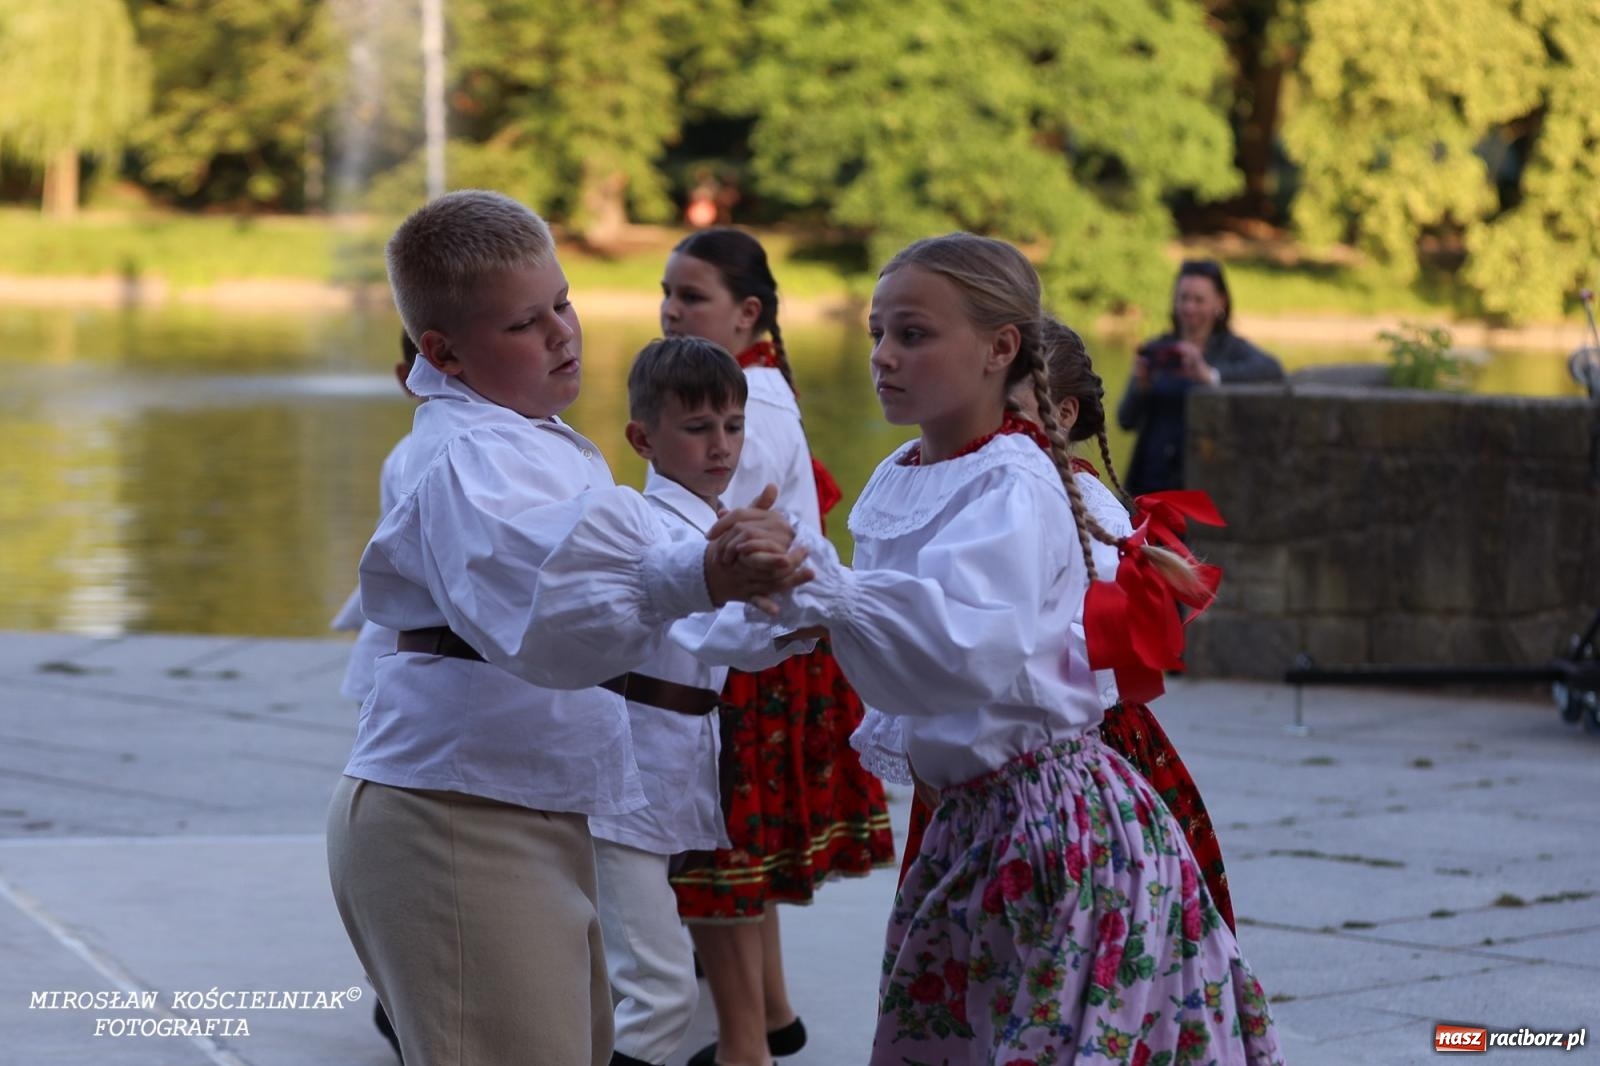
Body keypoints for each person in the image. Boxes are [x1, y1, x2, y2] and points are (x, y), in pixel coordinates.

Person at [766, 233, 1281, 1064]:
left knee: (1044, 1032)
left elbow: (960, 644)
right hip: (975, 817)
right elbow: (896, 628)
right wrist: (766, 592)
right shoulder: (909, 472)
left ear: (1001, 348)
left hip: (1050, 823)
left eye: (913, 335)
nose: (884, 357)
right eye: (876, 334)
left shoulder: (1021, 481)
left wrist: (825, 590)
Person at [324, 190, 811, 1066]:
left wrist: (777, 588)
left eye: (564, 303)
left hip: (520, 806)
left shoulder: (535, 441)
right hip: (454, 818)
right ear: (444, 352)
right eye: (524, 324)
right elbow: (546, 609)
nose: (561, 334)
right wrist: (704, 571)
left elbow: (661, 574)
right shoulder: (468, 455)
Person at [658, 227, 894, 1066]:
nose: (670, 310)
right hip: (772, 646)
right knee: (739, 848)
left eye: (691, 296)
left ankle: (745, 1048)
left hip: (747, 654)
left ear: (746, 311)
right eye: (668, 293)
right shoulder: (753, 384)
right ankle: (774, 1014)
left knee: (715, 853)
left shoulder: (742, 409)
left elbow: (728, 540)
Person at [594, 336, 816, 1066]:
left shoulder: (712, 521)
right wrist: (770, 598)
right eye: (697, 428)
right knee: (659, 990)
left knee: (638, 983)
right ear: (642, 438)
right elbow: (706, 624)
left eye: (732, 426)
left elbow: (736, 639)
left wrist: (797, 608)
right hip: (626, 778)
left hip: (674, 763)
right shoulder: (643, 522)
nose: (720, 445)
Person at [1117, 258, 1284, 497]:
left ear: (1220, 302)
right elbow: (1125, 420)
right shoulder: (1159, 349)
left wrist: (1210, 375)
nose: (1189, 308)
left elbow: (1273, 371)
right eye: (1183, 298)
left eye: (1199, 300)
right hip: (1150, 484)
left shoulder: (1232, 350)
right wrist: (1141, 387)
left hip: (1204, 484)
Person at [331, 329, 423, 707]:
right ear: (407, 379)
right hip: (402, 670)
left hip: (395, 664)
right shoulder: (422, 458)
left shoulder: (408, 453)